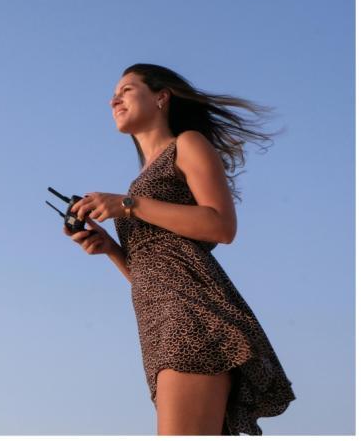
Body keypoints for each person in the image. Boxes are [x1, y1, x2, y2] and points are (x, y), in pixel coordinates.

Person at [65, 64, 296, 435]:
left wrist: (127, 205)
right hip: (158, 321)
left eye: (126, 89)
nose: (113, 99)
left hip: (190, 318)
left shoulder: (187, 144)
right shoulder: (139, 182)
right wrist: (111, 248)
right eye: (114, 94)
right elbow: (157, 271)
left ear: (161, 97)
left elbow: (222, 225)